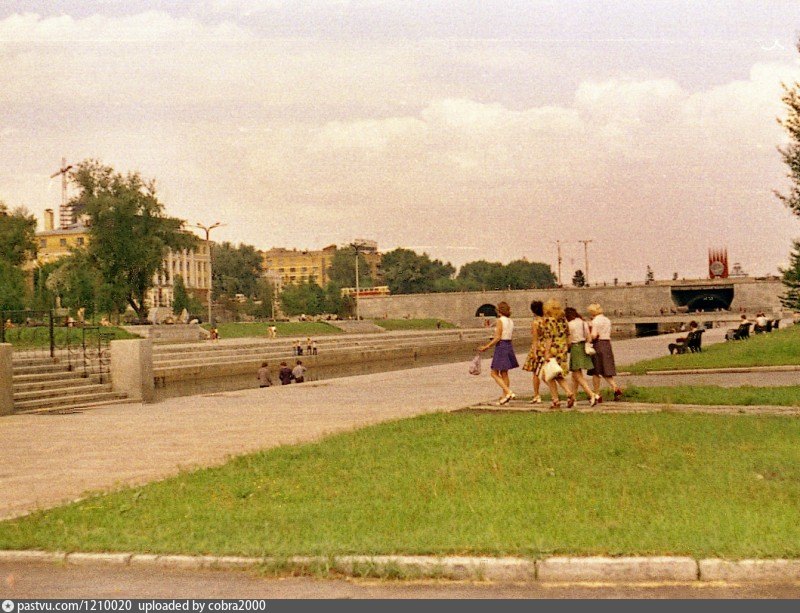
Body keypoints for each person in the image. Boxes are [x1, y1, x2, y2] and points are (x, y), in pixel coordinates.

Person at [477, 301, 518, 405]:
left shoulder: (500, 321)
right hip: (509, 345)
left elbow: (498, 337)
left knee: (494, 373)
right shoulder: (510, 321)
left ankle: (508, 392)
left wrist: (487, 346)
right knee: (504, 372)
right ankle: (505, 397)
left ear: (499, 311)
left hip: (501, 346)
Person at [540, 299, 575, 409]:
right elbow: (569, 335)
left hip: (553, 350)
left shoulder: (548, 321)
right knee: (558, 374)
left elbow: (548, 338)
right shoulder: (563, 320)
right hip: (562, 349)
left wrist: (546, 353)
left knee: (548, 376)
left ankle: (556, 400)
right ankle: (568, 393)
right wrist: (567, 347)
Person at [587, 303, 623, 401]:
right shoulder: (607, 320)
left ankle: (597, 393)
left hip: (598, 345)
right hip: (607, 344)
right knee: (606, 370)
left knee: (596, 371)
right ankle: (615, 388)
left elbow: (594, 335)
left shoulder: (595, 321)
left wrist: (588, 338)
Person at [565, 307, 600, 407]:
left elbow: (569, 340)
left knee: (577, 375)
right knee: (575, 375)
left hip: (575, 348)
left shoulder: (569, 325)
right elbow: (589, 337)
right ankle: (573, 398)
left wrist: (566, 349)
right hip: (583, 347)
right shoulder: (582, 322)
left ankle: (592, 394)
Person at [521, 300, 546, 404]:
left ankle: (536, 395)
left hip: (539, 347)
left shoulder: (535, 322)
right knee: (545, 371)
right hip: (547, 347)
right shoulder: (547, 320)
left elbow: (535, 339)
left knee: (536, 373)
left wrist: (534, 352)